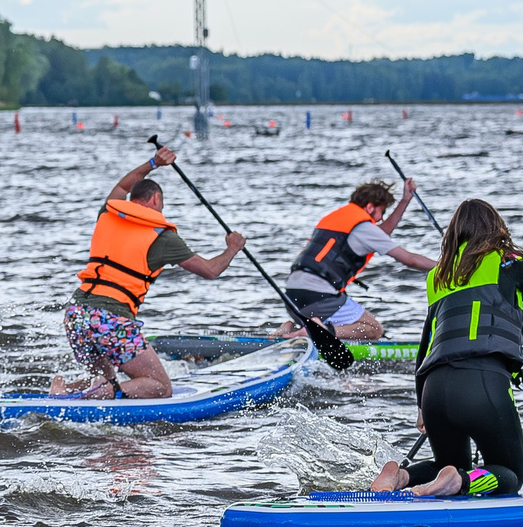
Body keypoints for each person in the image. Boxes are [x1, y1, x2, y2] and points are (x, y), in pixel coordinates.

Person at [370, 198, 523, 498]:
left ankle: (400, 475)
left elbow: (425, 345)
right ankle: (459, 482)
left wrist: (420, 406)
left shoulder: (438, 275)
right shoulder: (510, 261)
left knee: (449, 463)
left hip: (433, 390)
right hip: (482, 383)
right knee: (509, 473)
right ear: (496, 228)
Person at [50, 145, 247, 399]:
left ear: (133, 198)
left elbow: (122, 186)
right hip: (109, 318)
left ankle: (65, 388)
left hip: (77, 314)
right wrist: (232, 249)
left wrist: (153, 163)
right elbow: (210, 270)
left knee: (105, 376)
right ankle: (105, 393)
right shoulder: (162, 237)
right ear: (155, 200)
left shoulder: (108, 213)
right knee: (160, 387)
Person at [281, 179, 432, 341]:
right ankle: (317, 330)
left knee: (338, 322)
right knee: (373, 329)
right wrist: (448, 266)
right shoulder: (364, 228)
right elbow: (410, 260)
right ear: (369, 207)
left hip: (293, 295)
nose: (381, 219)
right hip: (318, 296)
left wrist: (404, 201)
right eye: (382, 211)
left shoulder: (338, 218)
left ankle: (289, 328)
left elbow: (381, 234)